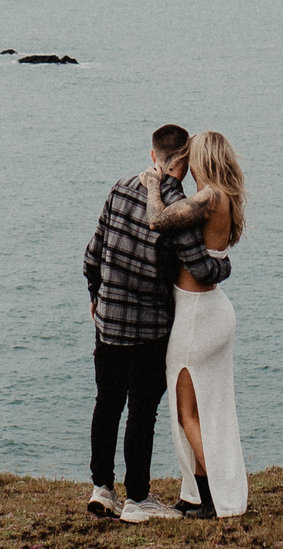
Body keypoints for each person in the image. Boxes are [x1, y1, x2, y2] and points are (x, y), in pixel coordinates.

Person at [83, 123, 229, 522]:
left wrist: (96, 297)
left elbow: (92, 254)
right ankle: (138, 497)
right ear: (185, 161)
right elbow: (200, 266)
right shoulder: (174, 204)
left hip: (109, 322)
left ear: (153, 155)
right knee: (141, 412)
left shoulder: (120, 188)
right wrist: (225, 264)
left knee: (107, 404)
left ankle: (102, 488)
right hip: (149, 329)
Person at [141, 129, 247, 518]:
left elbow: (159, 220)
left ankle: (218, 498)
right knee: (207, 410)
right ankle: (196, 495)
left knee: (186, 411)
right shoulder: (226, 198)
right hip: (212, 309)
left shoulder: (210, 197)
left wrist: (156, 181)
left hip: (196, 314)